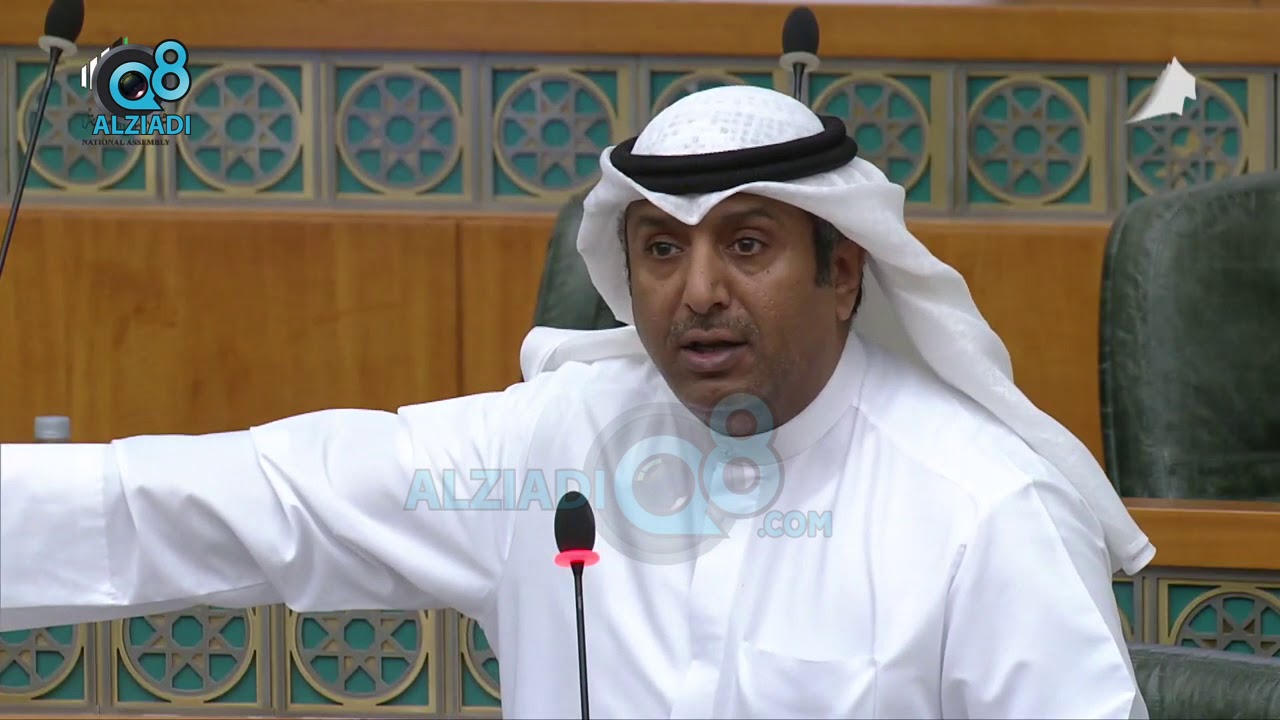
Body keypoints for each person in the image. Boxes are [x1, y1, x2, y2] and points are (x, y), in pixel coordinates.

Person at [0, 85, 1154, 719]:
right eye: (660, 249)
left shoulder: (980, 509)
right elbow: (255, 497)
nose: (696, 292)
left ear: (841, 271)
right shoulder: (554, 447)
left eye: (747, 244)